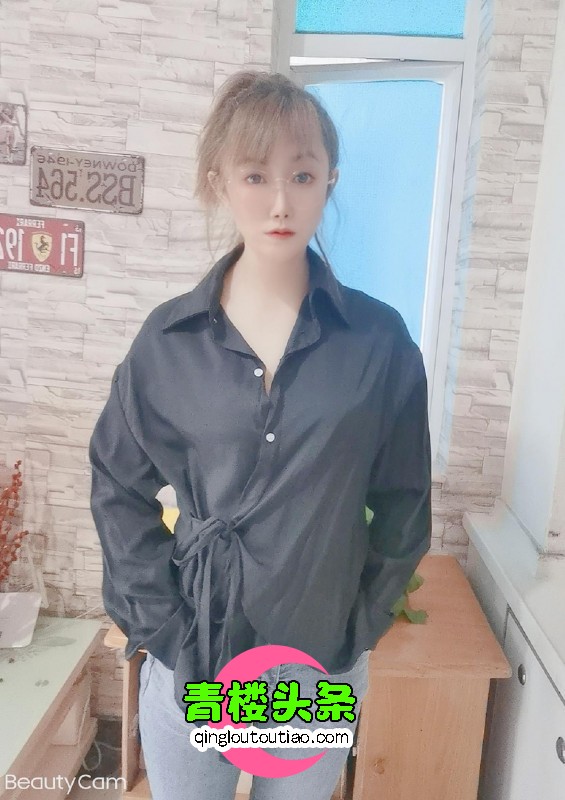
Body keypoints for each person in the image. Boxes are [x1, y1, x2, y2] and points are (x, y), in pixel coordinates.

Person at [89, 70, 432, 800]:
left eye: (301, 175)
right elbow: (117, 485)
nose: (281, 202)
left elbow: (405, 498)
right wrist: (164, 628)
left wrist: (361, 624)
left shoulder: (378, 341)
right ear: (219, 181)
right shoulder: (168, 342)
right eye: (255, 175)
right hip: (197, 656)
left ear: (329, 180)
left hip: (316, 663)